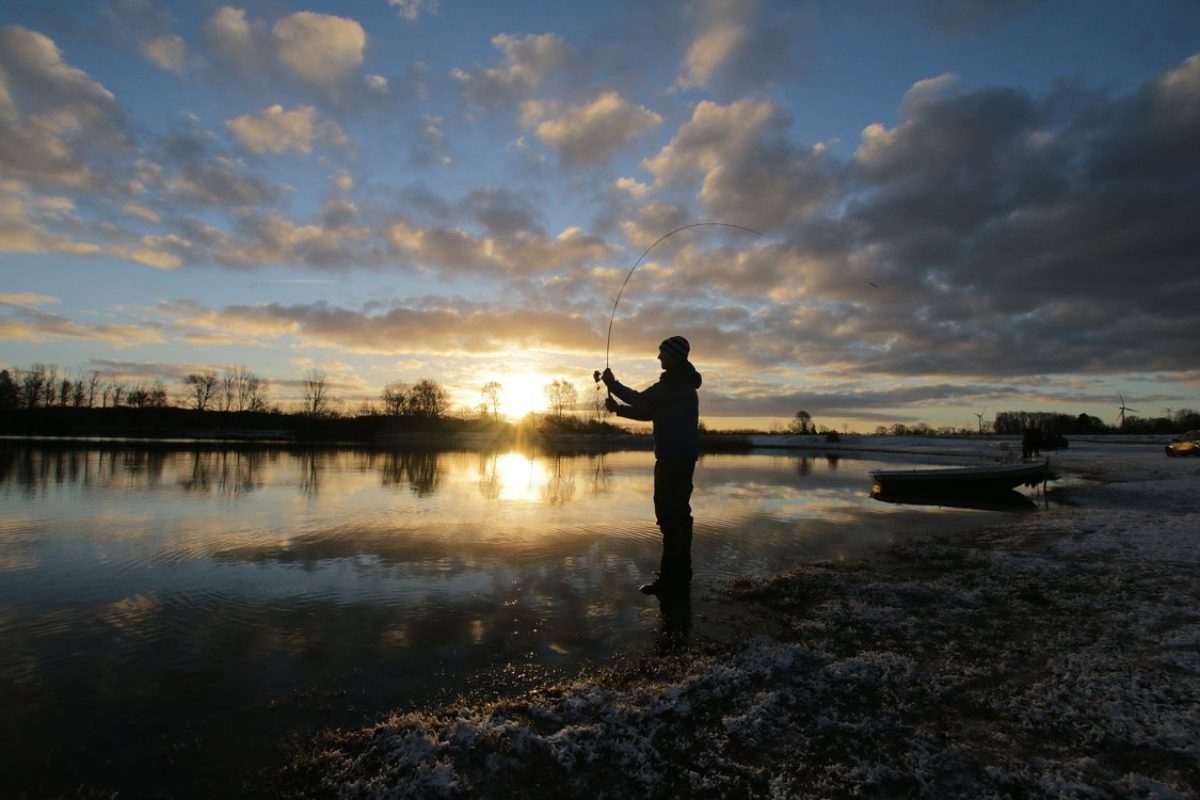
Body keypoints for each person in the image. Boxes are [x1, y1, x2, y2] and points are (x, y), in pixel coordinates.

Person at [602, 335, 701, 595]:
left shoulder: (675, 384)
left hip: (674, 459)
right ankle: (678, 573)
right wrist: (618, 410)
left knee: (671, 517)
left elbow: (640, 399)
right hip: (676, 458)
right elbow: (649, 411)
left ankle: (673, 579)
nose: (658, 357)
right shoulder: (678, 383)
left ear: (675, 356)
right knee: (676, 516)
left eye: (662, 353)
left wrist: (613, 384)